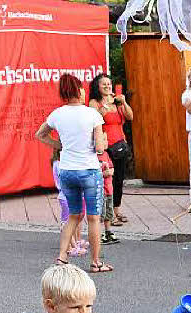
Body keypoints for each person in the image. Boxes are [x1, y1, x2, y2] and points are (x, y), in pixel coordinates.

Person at [35, 73, 111, 274]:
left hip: (67, 170)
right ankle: (95, 262)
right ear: (79, 90)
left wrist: (59, 145)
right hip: (89, 170)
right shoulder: (92, 114)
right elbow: (99, 149)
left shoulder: (57, 114)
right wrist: (103, 141)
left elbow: (40, 134)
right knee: (94, 218)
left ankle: (62, 256)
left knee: (74, 215)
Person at [88, 73, 133, 225]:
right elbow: (95, 118)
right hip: (106, 146)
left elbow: (130, 117)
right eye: (104, 84)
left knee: (119, 179)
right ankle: (107, 215)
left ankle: (117, 210)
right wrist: (107, 104)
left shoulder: (117, 101)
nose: (108, 86)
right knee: (108, 180)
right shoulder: (95, 102)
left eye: (109, 84)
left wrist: (124, 102)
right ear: (98, 87)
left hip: (120, 144)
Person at [99, 149, 119, 245]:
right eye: (103, 140)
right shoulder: (92, 156)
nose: (105, 142)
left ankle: (108, 231)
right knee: (100, 213)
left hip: (108, 188)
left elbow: (112, 168)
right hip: (99, 190)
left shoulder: (106, 154)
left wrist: (110, 171)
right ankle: (98, 233)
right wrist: (103, 173)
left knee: (108, 211)